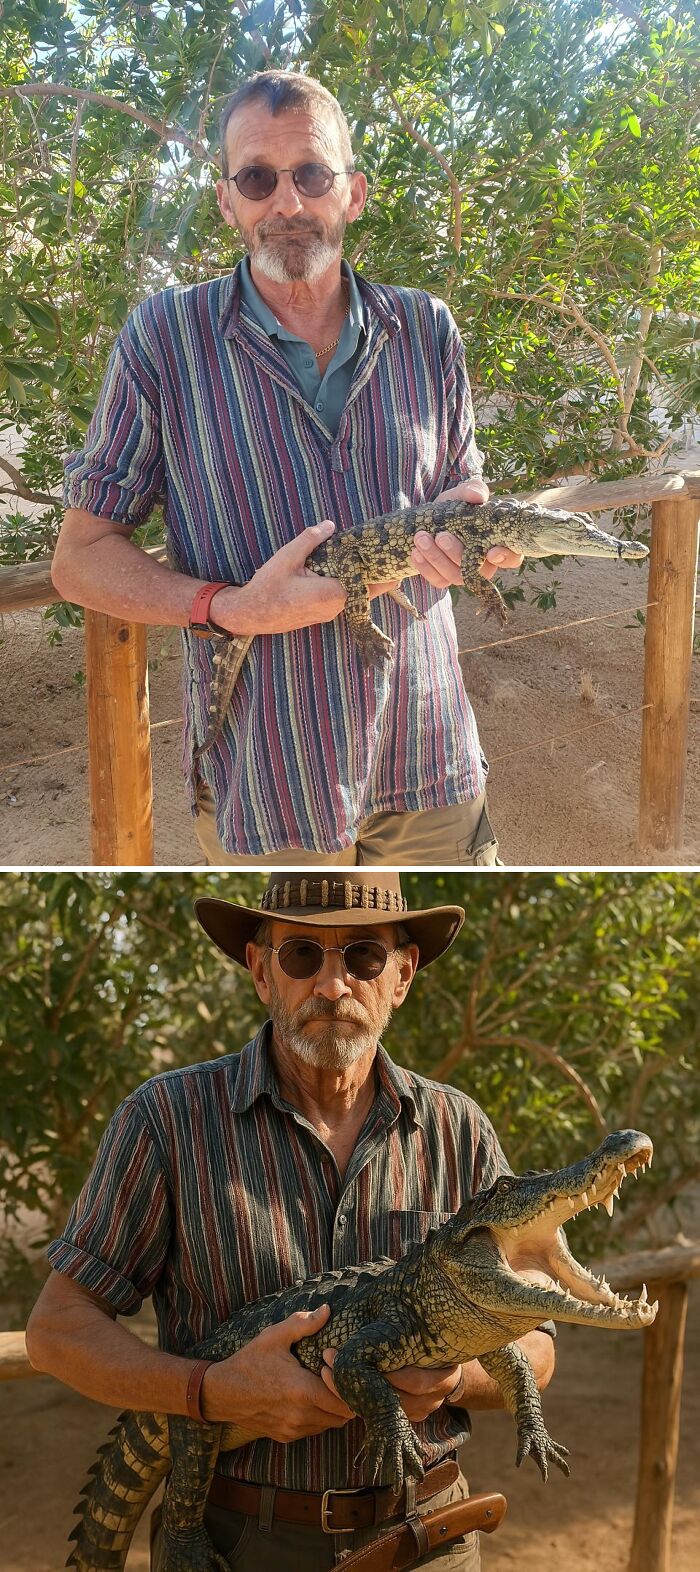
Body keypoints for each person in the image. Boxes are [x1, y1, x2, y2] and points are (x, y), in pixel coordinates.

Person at [50, 69, 523, 867]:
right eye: (258, 178)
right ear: (228, 199)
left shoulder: (427, 328)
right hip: (270, 780)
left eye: (311, 173)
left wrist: (482, 543)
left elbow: (464, 506)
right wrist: (227, 607)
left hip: (429, 758)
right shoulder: (164, 339)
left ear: (354, 192)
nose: (288, 202)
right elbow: (78, 560)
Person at [26, 871, 555, 1570]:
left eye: (363, 956)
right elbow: (57, 1331)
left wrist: (452, 1380)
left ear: (401, 974)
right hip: (236, 1541)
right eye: (302, 955)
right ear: (260, 971)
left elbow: (537, 1343)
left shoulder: (460, 1129)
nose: (332, 987)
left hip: (429, 1532)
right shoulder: (166, 1119)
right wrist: (208, 1391)